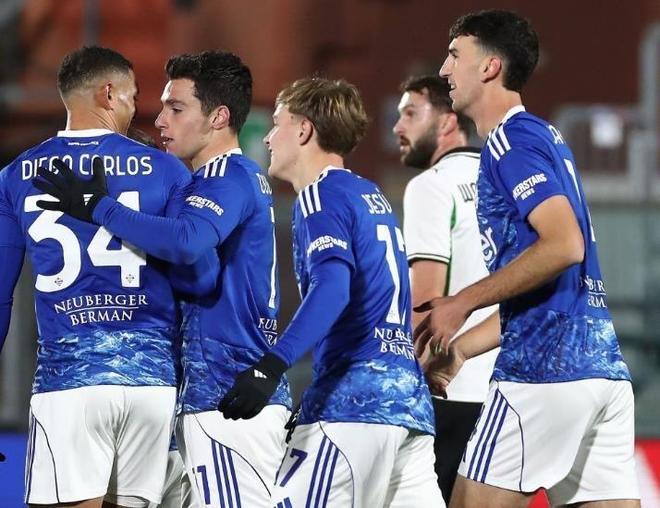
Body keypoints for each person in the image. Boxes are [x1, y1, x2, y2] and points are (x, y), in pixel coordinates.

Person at [35, 50, 291, 508]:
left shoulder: (227, 175)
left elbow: (189, 243)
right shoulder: (213, 180)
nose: (160, 120)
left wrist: (100, 207)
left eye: (176, 108)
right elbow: (197, 276)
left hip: (230, 395)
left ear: (218, 117)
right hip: (213, 394)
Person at [414, 9, 640, 508]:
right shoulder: (544, 137)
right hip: (601, 373)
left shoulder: (509, 141)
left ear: (490, 67)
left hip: (541, 372)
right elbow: (548, 284)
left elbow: (563, 245)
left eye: (455, 55)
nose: (445, 69)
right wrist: (462, 350)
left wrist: (461, 302)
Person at [0, 46, 217, 507]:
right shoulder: (165, 169)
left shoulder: (16, 175)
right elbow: (200, 277)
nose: (136, 108)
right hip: (151, 385)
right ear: (108, 92)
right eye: (133, 96)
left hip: (69, 381)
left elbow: (1, 294)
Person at [217, 76, 444, 507]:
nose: (267, 137)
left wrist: (271, 366)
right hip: (408, 404)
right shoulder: (368, 194)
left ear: (304, 130)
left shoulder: (320, 195)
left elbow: (333, 288)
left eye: (278, 123)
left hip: (354, 404)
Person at [393, 74, 498, 502]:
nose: (398, 127)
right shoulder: (502, 181)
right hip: (506, 393)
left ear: (447, 122)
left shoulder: (431, 185)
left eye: (410, 114)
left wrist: (405, 381)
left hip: (448, 389)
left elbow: (426, 304)